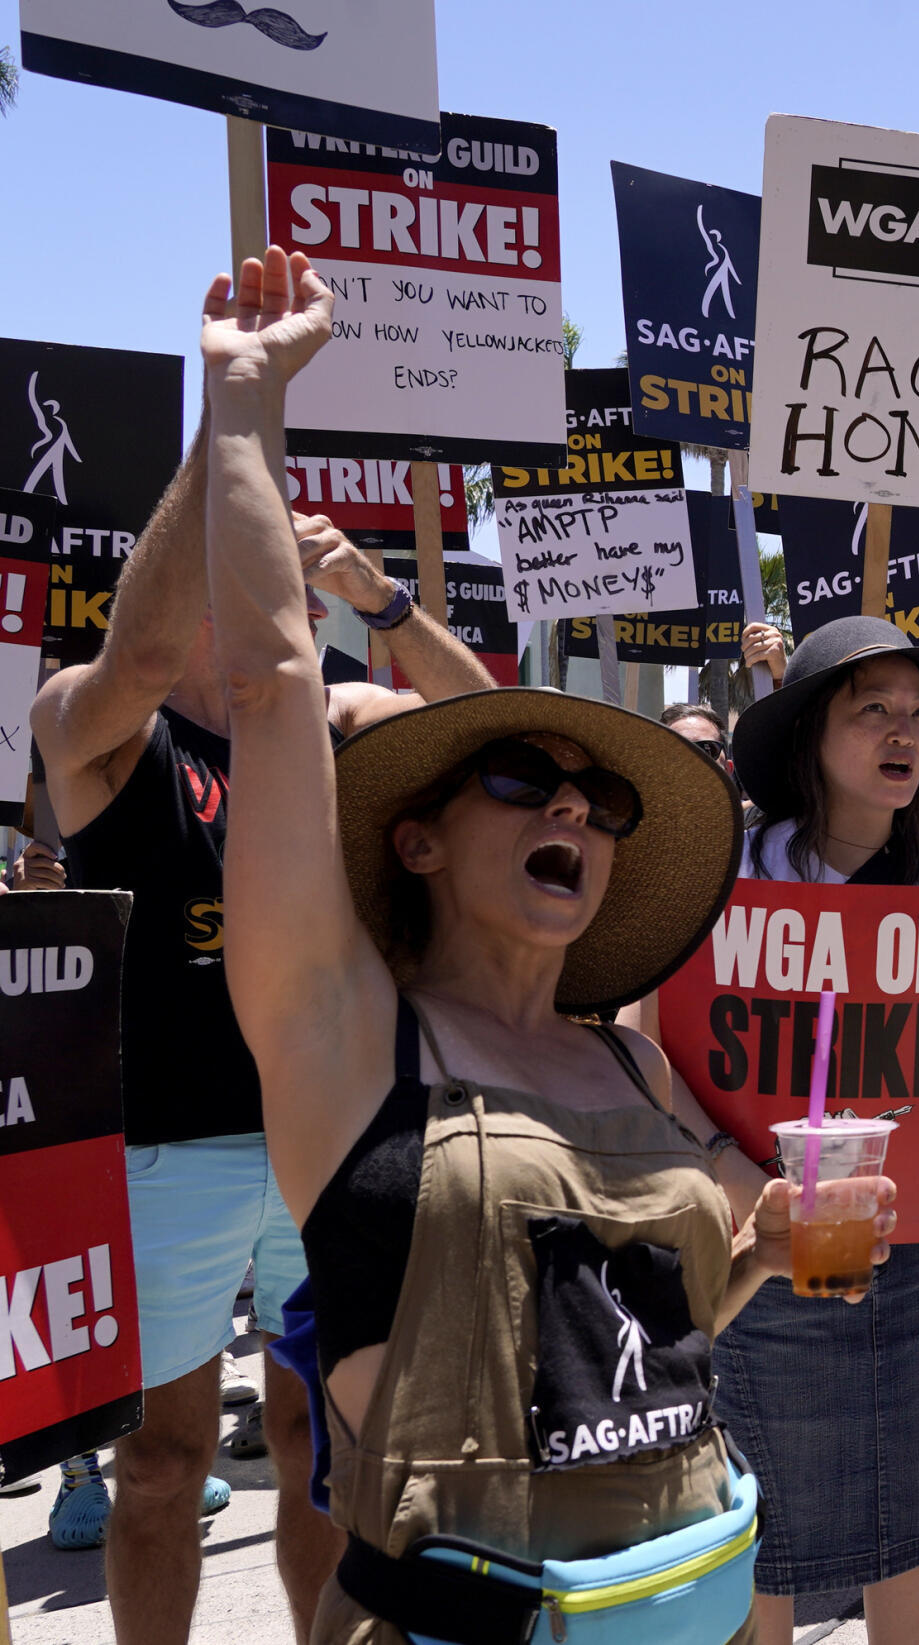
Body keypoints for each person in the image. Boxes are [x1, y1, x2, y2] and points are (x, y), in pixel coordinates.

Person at [192, 246, 854, 1644]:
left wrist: (777, 1246)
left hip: (693, 1605)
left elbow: (656, 1335)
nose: (572, 804)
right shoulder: (348, 1036)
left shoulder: (630, 1060)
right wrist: (245, 400)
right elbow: (266, 685)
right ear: (417, 841)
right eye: (520, 783)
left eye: (602, 799)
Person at [27, 266, 498, 1636]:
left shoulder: (338, 723)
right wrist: (233, 408)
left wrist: (383, 599)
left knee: (322, 1447)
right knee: (165, 1461)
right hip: (166, 1148)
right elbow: (140, 651)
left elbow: (496, 722)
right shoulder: (97, 720)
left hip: (334, 1135)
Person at [704, 614, 919, 1645]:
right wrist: (732, 1179)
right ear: (811, 734)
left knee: (909, 1497)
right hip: (758, 1241)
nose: (906, 732)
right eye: (874, 709)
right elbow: (649, 1047)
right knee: (759, 1499)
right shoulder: (726, 873)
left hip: (914, 1251)